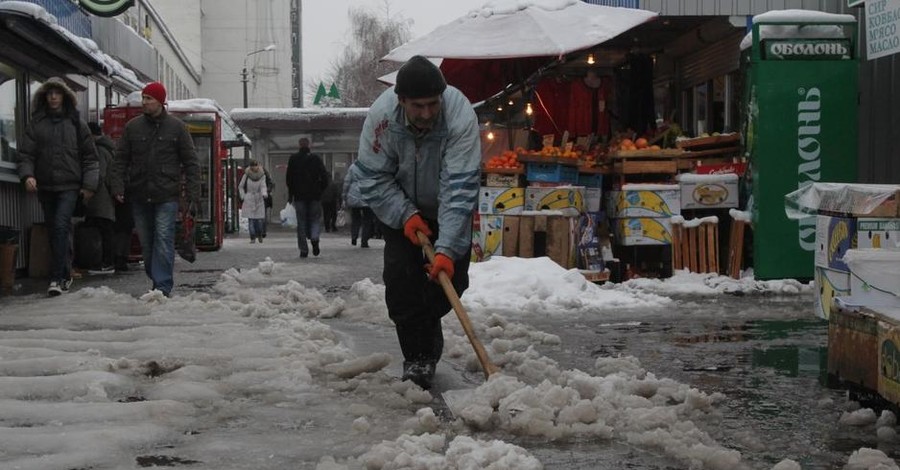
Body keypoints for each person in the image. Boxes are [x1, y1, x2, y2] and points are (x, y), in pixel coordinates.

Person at [355, 56, 481, 389]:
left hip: (446, 208)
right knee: (401, 284)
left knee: (447, 285)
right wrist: (405, 215)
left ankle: (427, 331)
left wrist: (447, 249)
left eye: (432, 104)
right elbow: (372, 177)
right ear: (401, 101)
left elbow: (458, 187)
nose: (427, 114)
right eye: (418, 106)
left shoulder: (459, 116)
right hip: (398, 207)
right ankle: (417, 357)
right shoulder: (382, 119)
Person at [113, 82, 200, 297]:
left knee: (163, 238)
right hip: (139, 193)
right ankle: (156, 278)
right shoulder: (133, 127)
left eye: (149, 99)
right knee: (147, 242)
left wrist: (193, 193)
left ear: (160, 101)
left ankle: (162, 286)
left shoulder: (177, 127)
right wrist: (117, 185)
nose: (144, 102)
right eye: (143, 98)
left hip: (166, 194)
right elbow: (120, 160)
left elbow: (190, 162)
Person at [17, 77, 99, 296]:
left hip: (69, 185)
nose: (53, 97)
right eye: (50, 93)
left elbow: (91, 157)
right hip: (45, 186)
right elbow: (26, 154)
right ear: (45, 96)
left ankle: (56, 278)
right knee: (55, 230)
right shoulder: (37, 124)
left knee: (61, 226)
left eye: (57, 93)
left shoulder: (76, 123)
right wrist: (27, 176)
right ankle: (64, 273)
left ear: (65, 96)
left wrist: (89, 185)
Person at [83, 122, 121, 274]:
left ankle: (105, 262)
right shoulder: (109, 148)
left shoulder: (98, 150)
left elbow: (99, 174)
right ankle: (108, 261)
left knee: (102, 230)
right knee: (106, 230)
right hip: (107, 197)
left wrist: (88, 190)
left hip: (99, 197)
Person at [284, 137, 328, 257]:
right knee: (315, 219)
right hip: (314, 196)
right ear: (309, 145)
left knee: (301, 222)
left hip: (299, 196)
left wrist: (291, 194)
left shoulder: (293, 159)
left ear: (299, 145)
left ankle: (303, 250)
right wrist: (320, 190)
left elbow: (289, 179)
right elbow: (325, 176)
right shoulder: (316, 158)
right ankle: (314, 239)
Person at [342, 164, 373, 248]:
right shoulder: (371, 166)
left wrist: (344, 195)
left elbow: (347, 182)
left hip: (354, 196)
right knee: (367, 219)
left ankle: (354, 236)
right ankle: (364, 240)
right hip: (367, 195)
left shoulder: (353, 167)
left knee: (355, 217)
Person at [238, 159, 269, 243]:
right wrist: (243, 196)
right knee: (251, 219)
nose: (254, 168)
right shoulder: (246, 175)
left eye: (255, 166)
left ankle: (259, 234)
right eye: (252, 166)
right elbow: (240, 186)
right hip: (249, 198)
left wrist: (264, 193)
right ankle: (252, 237)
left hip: (259, 198)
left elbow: (263, 186)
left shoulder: (262, 175)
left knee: (259, 220)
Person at [260, 167, 275, 238]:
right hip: (264, 196)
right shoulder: (266, 176)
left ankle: (260, 231)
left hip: (259, 197)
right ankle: (263, 231)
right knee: (263, 214)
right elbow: (271, 184)